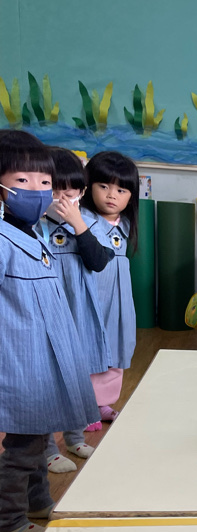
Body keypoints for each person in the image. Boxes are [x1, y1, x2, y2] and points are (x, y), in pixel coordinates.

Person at [0, 143, 99, 532]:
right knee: (24, 447)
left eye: (45, 182)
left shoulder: (33, 232)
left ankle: (38, 503)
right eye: (23, 180)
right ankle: (7, 519)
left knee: (40, 438)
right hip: (22, 361)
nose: (38, 190)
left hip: (44, 359)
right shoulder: (3, 238)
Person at [42, 148, 114, 471]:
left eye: (69, 193)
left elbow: (98, 261)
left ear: (82, 193)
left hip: (78, 311)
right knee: (45, 382)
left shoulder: (90, 223)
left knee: (76, 379)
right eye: (53, 191)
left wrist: (78, 224)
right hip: (46, 314)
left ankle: (74, 438)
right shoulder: (34, 224)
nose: (61, 200)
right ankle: (47, 450)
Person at [80, 151, 139, 423]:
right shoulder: (81, 219)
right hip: (91, 296)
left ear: (131, 196)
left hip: (119, 299)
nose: (111, 195)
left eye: (121, 190)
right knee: (89, 347)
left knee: (117, 345)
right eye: (103, 186)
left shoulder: (124, 224)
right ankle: (84, 406)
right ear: (88, 186)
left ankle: (102, 402)